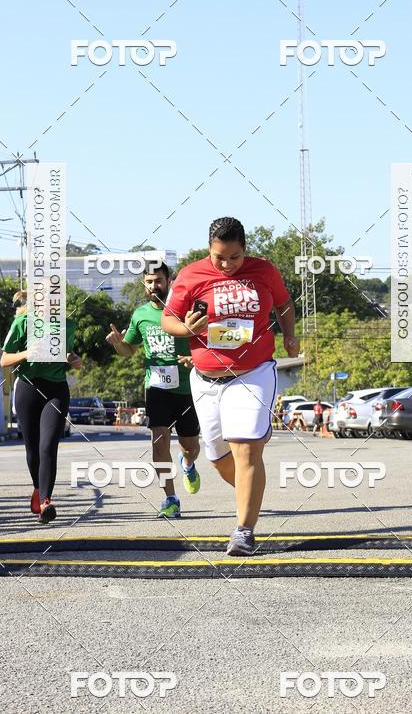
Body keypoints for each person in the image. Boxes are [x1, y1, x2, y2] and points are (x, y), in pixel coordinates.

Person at [161, 216, 299, 556]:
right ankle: (252, 492)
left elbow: (283, 304)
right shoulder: (192, 275)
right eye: (218, 257)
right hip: (206, 379)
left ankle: (243, 531)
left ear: (245, 250)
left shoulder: (264, 271)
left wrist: (291, 335)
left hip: (253, 372)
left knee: (246, 448)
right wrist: (186, 329)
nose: (226, 264)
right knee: (220, 458)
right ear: (209, 248)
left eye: (234, 257)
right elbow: (169, 319)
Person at [106, 262, 201, 519]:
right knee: (159, 443)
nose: (153, 286)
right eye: (149, 282)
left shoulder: (183, 310)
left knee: (189, 445)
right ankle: (170, 499)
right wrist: (118, 344)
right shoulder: (140, 315)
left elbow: (202, 341)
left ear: (168, 281)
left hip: (186, 387)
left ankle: (189, 464)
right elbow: (129, 349)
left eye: (158, 280)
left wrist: (195, 359)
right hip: (156, 387)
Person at [0, 290, 81, 524]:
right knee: (32, 450)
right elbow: (5, 359)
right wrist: (27, 353)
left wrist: (74, 359)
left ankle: (46, 501)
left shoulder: (68, 325)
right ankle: (37, 487)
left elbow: (67, 354)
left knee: (48, 445)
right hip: (28, 389)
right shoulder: (22, 322)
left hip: (56, 390)